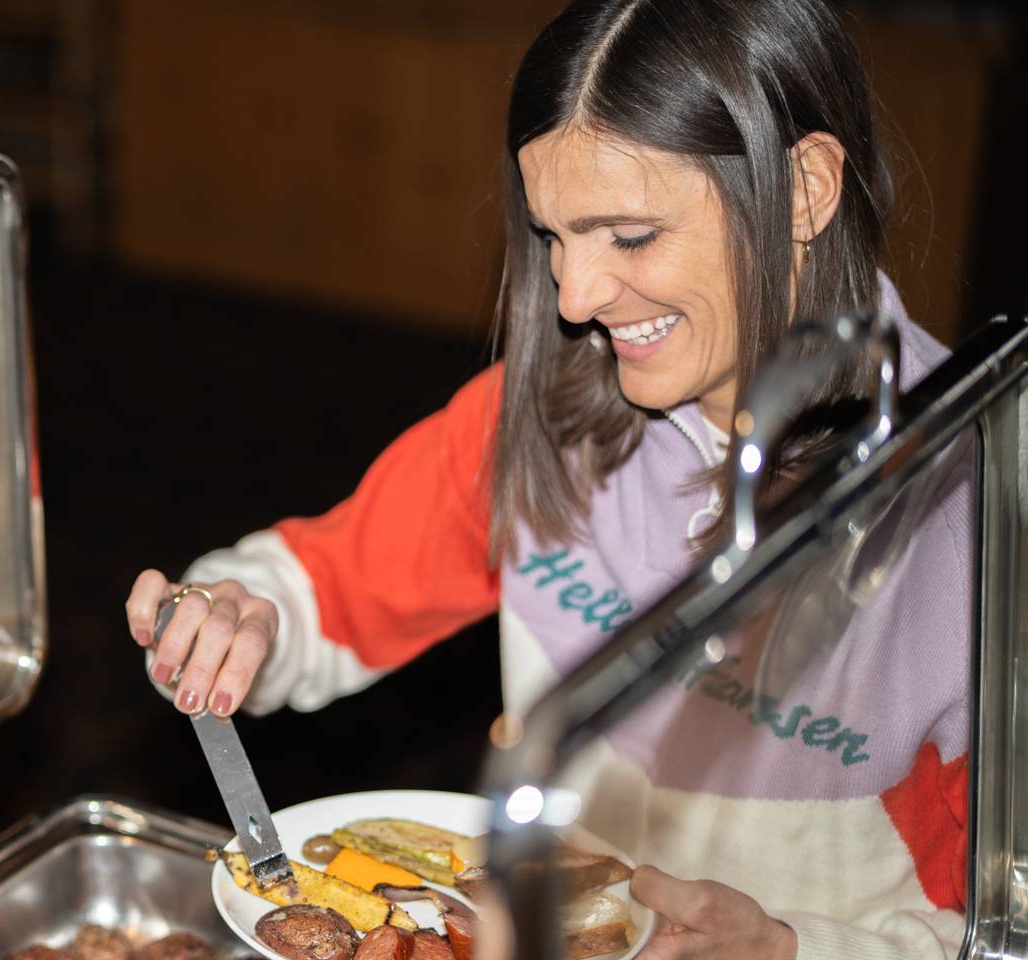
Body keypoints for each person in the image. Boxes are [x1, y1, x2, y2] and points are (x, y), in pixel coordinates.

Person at [123, 1, 972, 958]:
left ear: (806, 188)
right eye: (554, 236)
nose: (574, 298)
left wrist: (794, 949)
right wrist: (244, 618)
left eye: (632, 236)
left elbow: (996, 931)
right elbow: (328, 588)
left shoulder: (980, 519)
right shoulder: (545, 418)